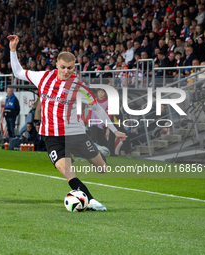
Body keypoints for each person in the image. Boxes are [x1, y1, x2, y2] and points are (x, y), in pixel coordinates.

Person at [8, 35, 127, 211]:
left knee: (102, 169)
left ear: (74, 67)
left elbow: (97, 109)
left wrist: (114, 130)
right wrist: (12, 50)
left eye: (70, 68)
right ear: (56, 65)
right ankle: (91, 200)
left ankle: (95, 151)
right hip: (52, 136)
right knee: (67, 171)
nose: (66, 71)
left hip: (76, 134)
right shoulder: (43, 77)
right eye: (63, 67)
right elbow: (18, 72)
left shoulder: (79, 87)